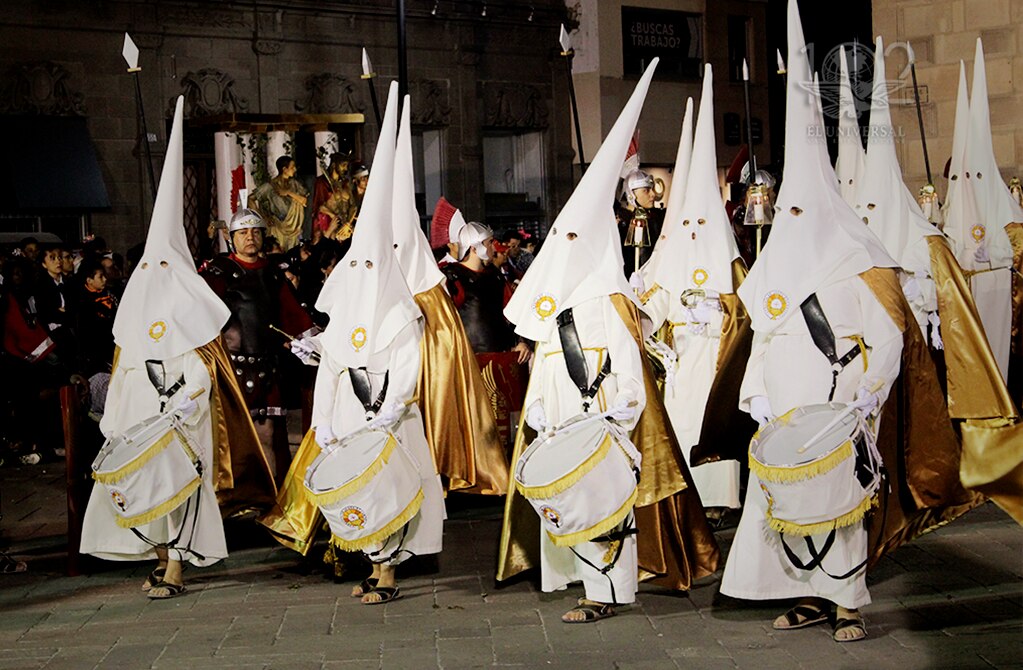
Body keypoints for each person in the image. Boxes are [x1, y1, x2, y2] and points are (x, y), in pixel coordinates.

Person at [498, 60, 720, 623]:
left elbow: (626, 360)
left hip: (604, 415)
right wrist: (544, 409)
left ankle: (608, 593)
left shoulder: (610, 298)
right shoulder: (553, 303)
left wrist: (623, 410)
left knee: (608, 500)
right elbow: (548, 356)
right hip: (563, 416)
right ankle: (581, 582)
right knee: (571, 501)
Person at [720, 4, 904, 642]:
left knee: (838, 507)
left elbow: (890, 339)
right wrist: (760, 399)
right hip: (788, 412)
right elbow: (760, 343)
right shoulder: (771, 273)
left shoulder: (860, 265)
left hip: (840, 404)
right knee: (787, 507)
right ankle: (803, 595)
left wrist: (867, 395)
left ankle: (846, 602)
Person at [80, 97, 234, 600]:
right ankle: (161, 557)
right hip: (141, 423)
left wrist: (185, 405)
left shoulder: (189, 323)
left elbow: (200, 374)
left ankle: (177, 568)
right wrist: (115, 422)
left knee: (179, 493)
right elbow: (124, 373)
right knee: (147, 490)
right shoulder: (130, 320)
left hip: (180, 423)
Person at [311, 85, 443, 604]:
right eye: (357, 266)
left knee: (391, 487)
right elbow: (329, 369)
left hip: (391, 416)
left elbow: (409, 369)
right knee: (360, 490)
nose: (364, 274)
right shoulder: (342, 314)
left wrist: (388, 412)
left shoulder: (400, 314)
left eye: (373, 266)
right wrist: (323, 419)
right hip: (348, 416)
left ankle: (388, 571)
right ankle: (372, 561)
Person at [639, 66, 744, 518]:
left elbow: (746, 310)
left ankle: (718, 500)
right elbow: (654, 304)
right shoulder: (673, 259)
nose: (696, 230)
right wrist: (642, 324)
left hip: (716, 357)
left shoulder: (730, 260)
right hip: (682, 355)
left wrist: (719, 311)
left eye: (703, 222)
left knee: (714, 421)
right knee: (683, 421)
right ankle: (687, 493)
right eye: (689, 223)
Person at [201, 208, 316, 485]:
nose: (250, 237)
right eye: (243, 232)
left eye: (255, 232)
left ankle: (269, 498)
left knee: (266, 436)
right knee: (230, 438)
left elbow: (295, 318)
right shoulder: (218, 273)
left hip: (266, 370)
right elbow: (199, 317)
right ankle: (234, 498)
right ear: (232, 237)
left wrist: (317, 343)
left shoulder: (273, 274)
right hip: (231, 371)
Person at [442, 221, 531, 447]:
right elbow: (443, 325)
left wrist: (520, 342)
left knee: (509, 428)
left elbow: (510, 314)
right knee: (478, 430)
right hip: (470, 364)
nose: (495, 247)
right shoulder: (451, 278)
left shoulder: (496, 276)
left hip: (503, 360)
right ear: (475, 247)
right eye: (490, 243)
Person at [249, 155, 308, 252]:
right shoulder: (270, 186)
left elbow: (304, 200)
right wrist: (262, 217)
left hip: (294, 227)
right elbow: (250, 199)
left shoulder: (294, 184)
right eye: (292, 167)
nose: (295, 169)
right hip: (278, 226)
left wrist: (288, 193)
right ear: (284, 169)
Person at [75, 259, 118, 376]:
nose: (105, 279)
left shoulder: (110, 293)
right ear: (89, 280)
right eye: (100, 277)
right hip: (98, 354)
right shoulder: (83, 302)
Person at [619, 169, 664, 277]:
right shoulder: (619, 223)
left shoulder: (658, 218)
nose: (653, 194)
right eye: (646, 190)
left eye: (652, 189)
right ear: (631, 194)